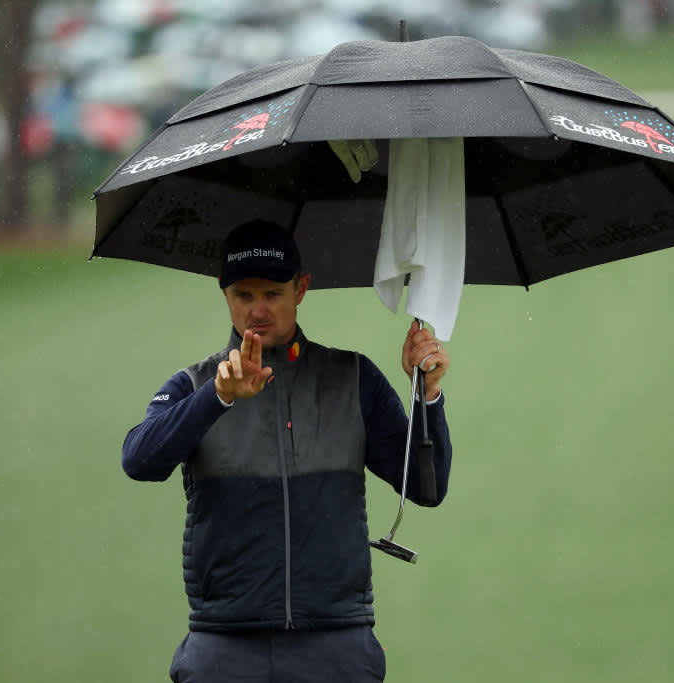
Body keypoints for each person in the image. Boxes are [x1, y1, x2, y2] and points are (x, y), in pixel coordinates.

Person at [121, 219, 453, 682]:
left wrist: (427, 395)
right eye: (244, 295)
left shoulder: (354, 378)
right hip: (224, 647)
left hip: (337, 645)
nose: (257, 310)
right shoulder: (196, 384)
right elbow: (139, 460)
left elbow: (425, 485)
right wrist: (217, 398)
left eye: (273, 294)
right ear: (224, 292)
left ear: (301, 288)